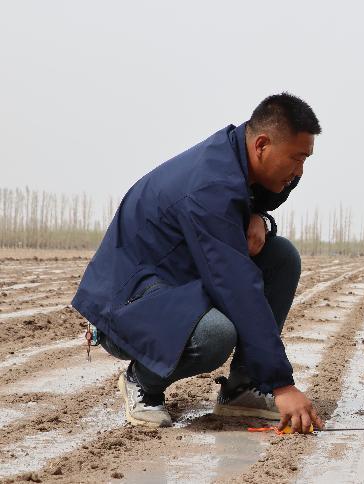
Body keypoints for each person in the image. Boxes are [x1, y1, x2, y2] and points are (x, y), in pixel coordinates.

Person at [72, 93, 324, 434]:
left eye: (306, 160)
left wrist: (257, 215)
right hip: (127, 303)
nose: (299, 172)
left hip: (173, 283)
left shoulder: (233, 161)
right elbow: (237, 286)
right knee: (214, 335)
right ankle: (142, 381)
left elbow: (243, 212)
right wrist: (282, 384)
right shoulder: (211, 186)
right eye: (296, 159)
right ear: (262, 144)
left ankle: (243, 388)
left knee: (281, 258)